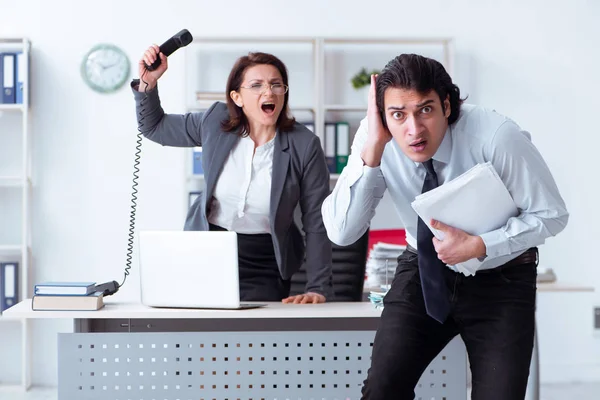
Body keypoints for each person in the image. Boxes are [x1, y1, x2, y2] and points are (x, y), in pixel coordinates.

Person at [322, 53, 568, 399]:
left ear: (447, 106)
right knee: (381, 390)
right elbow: (341, 231)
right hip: (423, 272)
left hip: (502, 278)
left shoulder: (497, 137)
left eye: (425, 110)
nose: (414, 129)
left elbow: (552, 213)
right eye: (398, 114)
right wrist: (373, 149)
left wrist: (482, 244)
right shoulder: (376, 137)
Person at [131, 45, 333, 304]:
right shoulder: (215, 122)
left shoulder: (304, 144)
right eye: (257, 85)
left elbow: (316, 220)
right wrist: (148, 83)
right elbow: (155, 127)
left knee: (258, 340)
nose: (269, 91)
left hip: (264, 261)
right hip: (205, 250)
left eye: (276, 84)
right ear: (237, 97)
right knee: (199, 336)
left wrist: (317, 287)